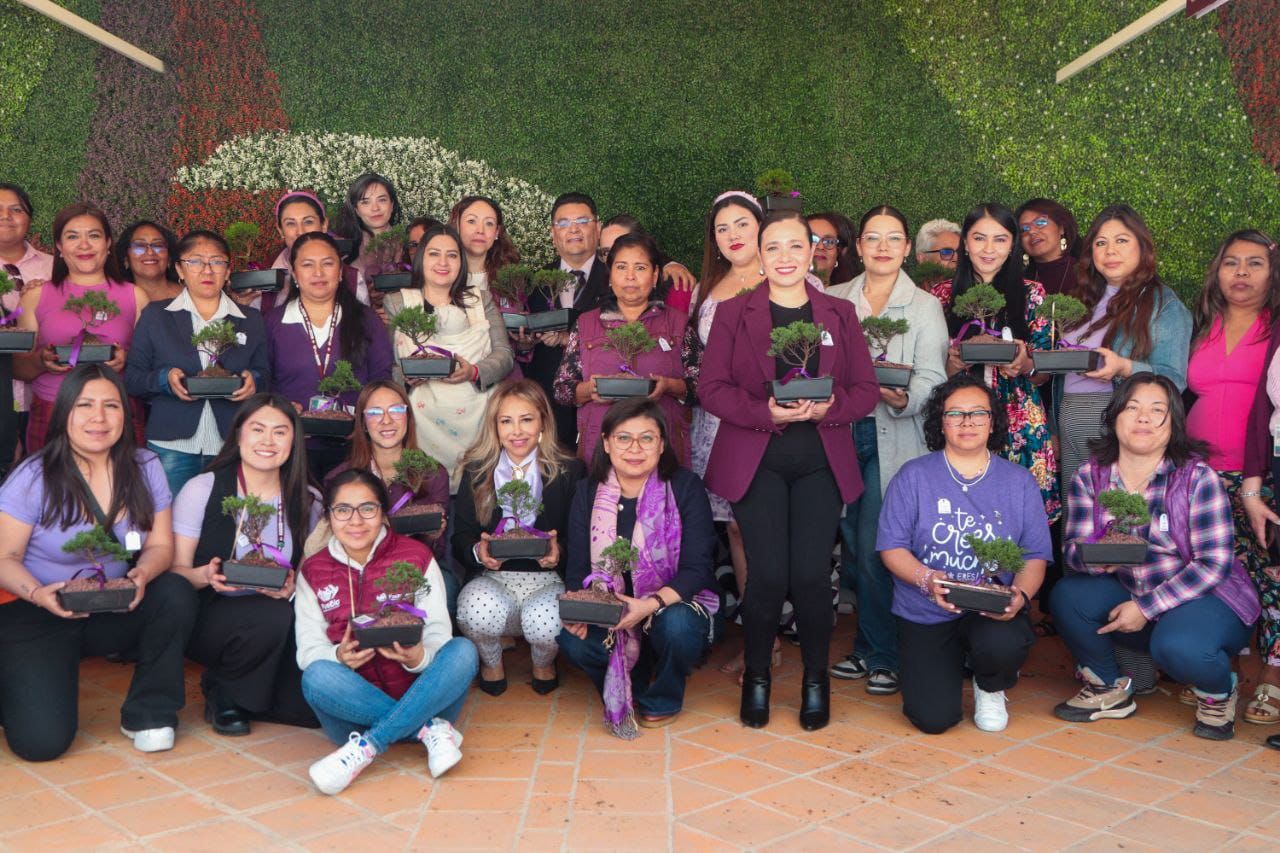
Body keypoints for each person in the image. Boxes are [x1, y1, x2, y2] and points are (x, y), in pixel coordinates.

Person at [700, 209, 879, 731]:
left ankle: (815, 681)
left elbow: (866, 390)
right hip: (757, 462)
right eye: (773, 247)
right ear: (760, 254)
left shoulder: (838, 313)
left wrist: (832, 407)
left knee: (809, 577)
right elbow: (711, 389)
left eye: (795, 246)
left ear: (812, 253)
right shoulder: (734, 312)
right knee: (768, 576)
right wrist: (764, 412)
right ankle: (757, 676)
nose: (784, 257)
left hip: (821, 463)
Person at [0, 365, 197, 761]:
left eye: (111, 405)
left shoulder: (145, 467)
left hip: (114, 604)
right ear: (64, 413)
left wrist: (143, 574)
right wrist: (39, 593)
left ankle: (150, 713)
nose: (99, 418)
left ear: (126, 413)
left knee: (175, 591)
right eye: (85, 405)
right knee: (41, 744)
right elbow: (4, 557)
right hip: (38, 612)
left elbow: (160, 544)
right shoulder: (34, 475)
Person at [1052, 374, 1260, 740]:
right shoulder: (1091, 476)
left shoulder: (1197, 477)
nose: (1143, 418)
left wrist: (1146, 607)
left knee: (1179, 646)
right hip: (1135, 591)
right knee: (1069, 596)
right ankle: (1107, 687)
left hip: (1207, 600)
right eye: (1132, 408)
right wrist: (1098, 558)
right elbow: (1072, 549)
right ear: (1114, 416)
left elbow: (1213, 564)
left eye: (1157, 410)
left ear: (1173, 422)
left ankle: (1217, 692)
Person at [878, 374, 1050, 733]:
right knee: (933, 719)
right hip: (926, 608)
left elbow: (1034, 554)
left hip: (990, 608)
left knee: (1003, 642)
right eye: (955, 413)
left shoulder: (1019, 481)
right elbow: (892, 547)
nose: (967, 422)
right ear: (940, 423)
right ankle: (948, 667)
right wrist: (927, 579)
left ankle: (990, 684)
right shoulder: (913, 477)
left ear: (993, 421)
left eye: (978, 413)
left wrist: (1019, 597)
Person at [827, 205, 949, 694]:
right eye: (872, 238)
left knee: (880, 544)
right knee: (852, 546)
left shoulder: (924, 307)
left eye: (893, 238)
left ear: (906, 248)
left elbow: (932, 379)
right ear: (858, 247)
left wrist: (903, 399)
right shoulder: (834, 299)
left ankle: (882, 654)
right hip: (839, 433)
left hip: (892, 434)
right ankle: (869, 645)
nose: (882, 247)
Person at [296, 469, 478, 794]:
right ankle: (428, 730)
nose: (356, 521)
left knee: (463, 652)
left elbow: (438, 632)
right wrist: (338, 657)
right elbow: (308, 651)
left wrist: (419, 657)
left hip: (424, 693)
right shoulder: (313, 570)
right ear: (329, 516)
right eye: (343, 510)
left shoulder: (415, 556)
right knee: (316, 676)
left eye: (367, 508)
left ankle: (367, 746)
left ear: (383, 513)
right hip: (353, 712)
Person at [558, 398, 719, 735]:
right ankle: (632, 680)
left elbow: (699, 568)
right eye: (623, 438)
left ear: (661, 445)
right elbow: (577, 568)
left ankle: (664, 695)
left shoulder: (685, 487)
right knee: (573, 642)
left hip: (668, 604)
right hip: (611, 608)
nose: (635, 448)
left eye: (646, 438)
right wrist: (580, 610)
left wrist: (649, 605)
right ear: (606, 443)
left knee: (678, 627)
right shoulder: (587, 492)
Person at [171, 394, 321, 735]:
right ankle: (226, 692)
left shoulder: (308, 500)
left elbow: (311, 576)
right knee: (271, 615)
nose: (268, 441)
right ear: (238, 435)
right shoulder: (203, 489)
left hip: (278, 615)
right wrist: (206, 575)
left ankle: (249, 688)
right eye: (257, 429)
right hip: (209, 613)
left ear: (294, 442)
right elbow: (175, 573)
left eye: (280, 432)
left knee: (306, 711)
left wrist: (291, 588)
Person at [453, 379, 584, 695]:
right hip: (493, 578)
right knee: (473, 611)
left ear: (543, 422)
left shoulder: (569, 470)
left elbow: (580, 539)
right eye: (506, 421)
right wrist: (479, 551)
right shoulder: (477, 470)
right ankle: (491, 660)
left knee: (546, 623)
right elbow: (460, 538)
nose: (517, 431)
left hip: (548, 579)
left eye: (526, 419)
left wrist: (559, 552)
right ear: (495, 427)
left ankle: (543, 661)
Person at [931, 203, 1060, 523]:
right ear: (965, 242)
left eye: (1000, 239)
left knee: (1019, 521)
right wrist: (952, 365)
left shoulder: (1033, 294)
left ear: (1013, 245)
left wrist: (1025, 363)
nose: (989, 249)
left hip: (1019, 421)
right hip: (958, 422)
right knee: (958, 519)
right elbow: (930, 372)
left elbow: (1043, 373)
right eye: (979, 238)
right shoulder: (939, 296)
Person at [1055, 204, 1192, 496]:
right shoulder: (1080, 299)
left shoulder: (1163, 304)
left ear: (1142, 247)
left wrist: (1124, 367)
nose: (1110, 251)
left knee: (1117, 513)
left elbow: (1174, 379)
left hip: (1119, 422)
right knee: (1077, 510)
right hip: (1070, 421)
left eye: (1121, 241)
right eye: (1100, 243)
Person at [125, 230, 268, 495]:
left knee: (225, 516)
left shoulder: (250, 319)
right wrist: (164, 379)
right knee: (168, 516)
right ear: (180, 269)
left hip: (231, 443)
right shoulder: (157, 316)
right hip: (171, 444)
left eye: (217, 261)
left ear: (228, 271)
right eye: (195, 261)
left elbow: (265, 373)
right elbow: (132, 378)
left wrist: (254, 381)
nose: (207, 270)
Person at [689, 191, 764, 675]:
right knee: (734, 527)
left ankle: (769, 637)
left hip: (766, 420)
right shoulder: (707, 286)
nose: (733, 235)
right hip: (717, 422)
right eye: (722, 228)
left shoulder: (787, 277)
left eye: (741, 224)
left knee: (763, 527)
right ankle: (756, 638)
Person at [385, 224, 513, 491]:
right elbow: (389, 366)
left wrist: (474, 371)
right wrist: (406, 376)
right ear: (420, 259)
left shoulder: (480, 300)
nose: (443, 262)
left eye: (452, 255)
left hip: (478, 418)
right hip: (422, 423)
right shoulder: (398, 302)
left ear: (461, 261)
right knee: (429, 491)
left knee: (475, 494)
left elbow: (504, 355)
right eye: (434, 254)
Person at [13, 203, 149, 452]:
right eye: (72, 236)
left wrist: (126, 360)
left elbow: (150, 365)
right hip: (53, 411)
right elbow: (19, 368)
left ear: (108, 243)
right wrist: (42, 361)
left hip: (116, 411)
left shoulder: (135, 296)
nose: (84, 245)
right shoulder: (36, 295)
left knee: (121, 478)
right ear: (59, 246)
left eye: (94, 236)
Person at [555, 232, 698, 462]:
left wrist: (669, 386)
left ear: (655, 275)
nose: (630, 276)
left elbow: (701, 387)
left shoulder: (677, 323)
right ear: (610, 275)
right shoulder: (586, 324)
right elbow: (562, 389)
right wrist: (589, 390)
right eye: (621, 267)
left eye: (640, 268)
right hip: (600, 451)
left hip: (663, 450)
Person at [264, 232, 394, 481]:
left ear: (341, 271)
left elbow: (382, 377)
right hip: (291, 447)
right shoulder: (273, 323)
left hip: (354, 446)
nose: (318, 273)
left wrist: (363, 418)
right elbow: (263, 381)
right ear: (294, 273)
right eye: (307, 265)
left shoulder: (365, 319)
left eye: (327, 263)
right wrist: (282, 408)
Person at [326, 381, 452, 602]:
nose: (386, 420)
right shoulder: (340, 478)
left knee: (446, 587)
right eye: (375, 412)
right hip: (356, 570)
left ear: (408, 417)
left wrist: (432, 535)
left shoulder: (433, 474)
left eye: (396, 410)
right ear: (363, 422)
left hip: (414, 566)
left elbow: (437, 551)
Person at [1226, 232, 1280, 726]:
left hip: (1257, 471)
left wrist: (1253, 481)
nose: (1241, 272)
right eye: (1232, 262)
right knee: (1223, 572)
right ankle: (1223, 671)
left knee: (1272, 576)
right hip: (1204, 473)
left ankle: (1273, 675)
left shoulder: (1274, 327)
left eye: (1255, 263)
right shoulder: (1202, 324)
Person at [527, 192, 610, 446]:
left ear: (598, 228)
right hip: (547, 405)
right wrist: (524, 343)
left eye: (582, 221)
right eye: (563, 223)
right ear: (553, 234)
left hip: (601, 403)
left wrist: (568, 339)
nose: (573, 229)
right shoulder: (534, 282)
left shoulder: (617, 279)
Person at [244, 190, 365, 313]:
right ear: (280, 230)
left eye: (308, 222)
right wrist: (241, 306)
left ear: (324, 225)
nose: (300, 231)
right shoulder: (263, 277)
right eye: (290, 223)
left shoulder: (352, 278)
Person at [0, 183, 48, 477]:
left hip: (43, 400)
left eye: (16, 209)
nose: (6, 216)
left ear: (29, 217)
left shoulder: (55, 268)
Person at [597, 213, 697, 313]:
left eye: (622, 247)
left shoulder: (675, 288)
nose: (613, 257)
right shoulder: (599, 285)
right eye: (606, 252)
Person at [334, 172, 404, 279]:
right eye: (366, 202)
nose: (375, 208)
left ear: (392, 205)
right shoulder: (343, 247)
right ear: (356, 210)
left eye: (382, 200)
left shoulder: (408, 244)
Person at [449, 195, 519, 296]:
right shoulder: (441, 273)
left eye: (489, 223)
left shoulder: (512, 278)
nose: (480, 231)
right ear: (457, 226)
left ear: (497, 232)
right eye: (471, 221)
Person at [1016, 198, 1080, 297]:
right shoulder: (1017, 282)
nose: (1031, 231)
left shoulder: (1088, 273)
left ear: (1061, 228)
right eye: (1024, 229)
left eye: (1040, 223)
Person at [115, 220, 181, 303]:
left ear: (169, 257)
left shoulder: (191, 296)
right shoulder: (115, 302)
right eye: (140, 246)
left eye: (158, 245)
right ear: (126, 259)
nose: (150, 252)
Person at [808, 211, 858, 288]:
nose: (820, 247)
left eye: (829, 242)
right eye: (812, 239)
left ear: (842, 251)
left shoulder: (853, 293)